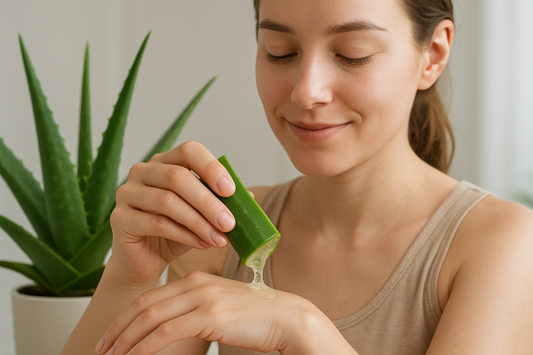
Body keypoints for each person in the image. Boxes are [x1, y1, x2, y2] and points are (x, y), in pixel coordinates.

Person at [62, 0, 533, 354]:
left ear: (432, 54)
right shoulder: (217, 236)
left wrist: (299, 326)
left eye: (352, 54)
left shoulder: (500, 243)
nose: (307, 90)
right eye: (280, 52)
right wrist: (129, 279)